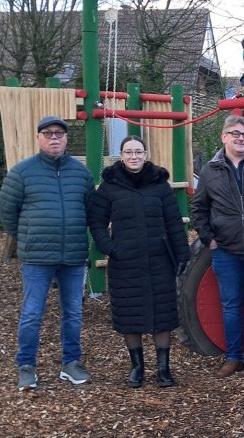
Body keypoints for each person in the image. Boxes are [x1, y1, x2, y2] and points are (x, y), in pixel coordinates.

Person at [0, 116, 94, 391]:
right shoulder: (22, 172)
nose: (54, 138)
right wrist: (27, 237)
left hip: (73, 255)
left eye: (59, 134)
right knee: (32, 312)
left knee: (73, 312)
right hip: (37, 258)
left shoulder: (81, 173)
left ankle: (71, 363)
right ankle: (26, 366)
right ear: (39, 137)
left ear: (66, 138)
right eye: (48, 133)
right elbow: (7, 211)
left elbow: (90, 210)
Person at [87, 136, 191, 387]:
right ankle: (137, 367)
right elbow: (97, 222)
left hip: (159, 260)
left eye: (138, 152)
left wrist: (182, 255)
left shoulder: (160, 185)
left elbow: (174, 222)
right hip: (125, 261)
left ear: (145, 155)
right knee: (129, 314)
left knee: (162, 314)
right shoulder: (109, 187)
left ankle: (164, 369)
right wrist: (110, 248)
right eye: (128, 152)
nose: (133, 156)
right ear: (121, 155)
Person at [193, 115, 244, 378]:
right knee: (229, 305)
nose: (241, 138)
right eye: (235, 133)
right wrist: (208, 238)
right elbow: (199, 208)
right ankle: (233, 357)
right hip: (225, 250)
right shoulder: (210, 170)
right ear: (224, 137)